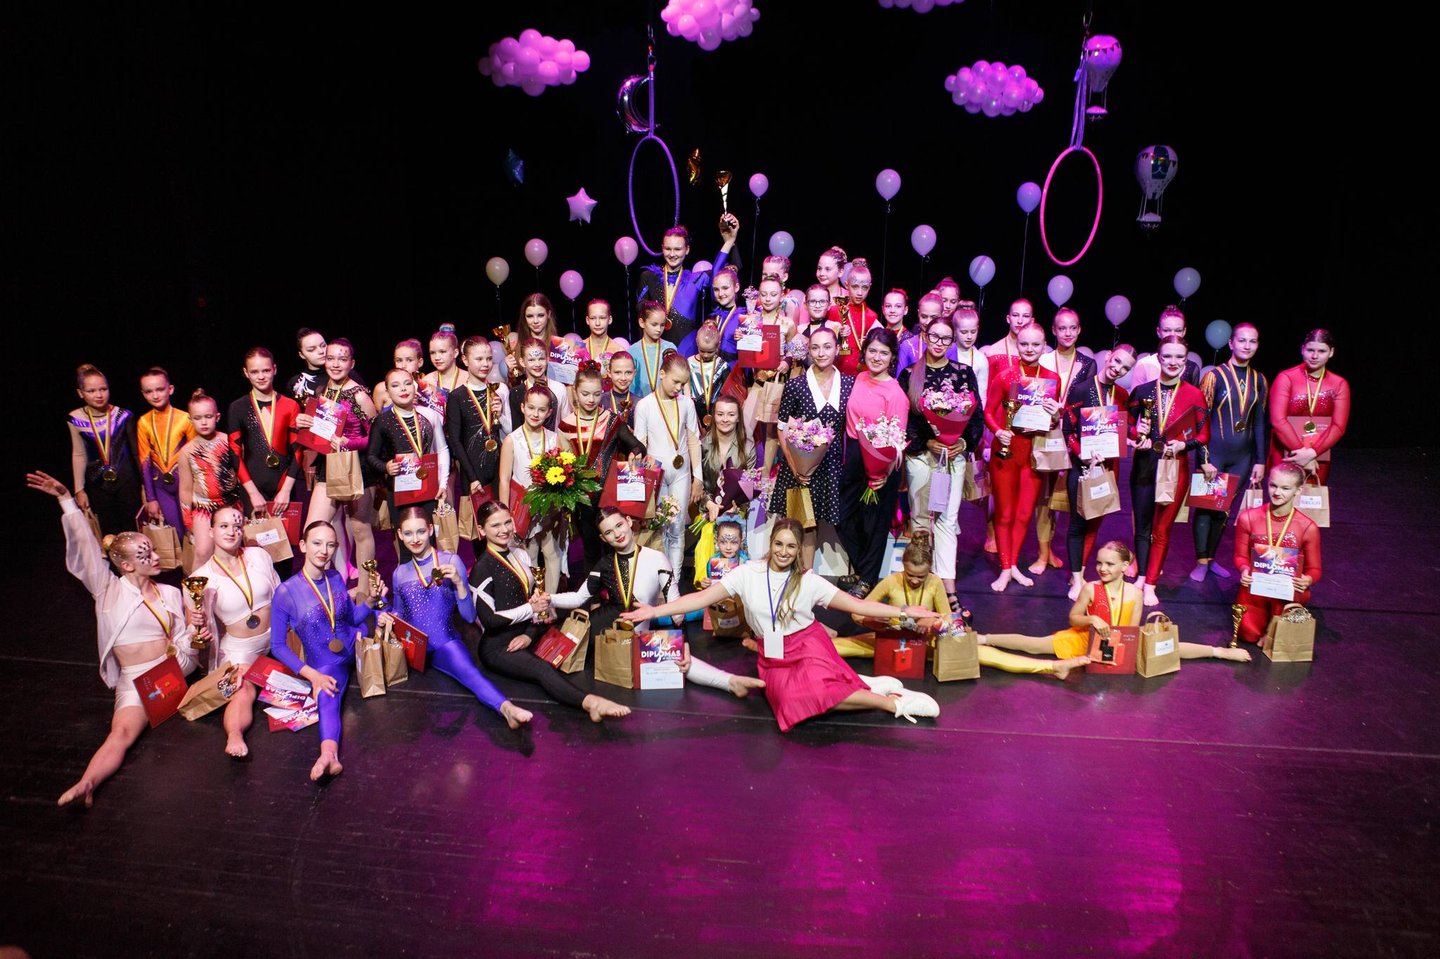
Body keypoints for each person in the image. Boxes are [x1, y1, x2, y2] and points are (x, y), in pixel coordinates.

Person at [628, 518, 942, 731]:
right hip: (773, 653)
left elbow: (858, 606)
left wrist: (905, 611)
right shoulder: (746, 574)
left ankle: (892, 704)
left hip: (808, 645)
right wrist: (654, 611)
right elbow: (700, 599)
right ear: (771, 542)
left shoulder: (809, 581)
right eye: (779, 544)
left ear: (798, 550)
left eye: (791, 547)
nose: (783, 551)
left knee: (814, 690)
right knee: (790, 702)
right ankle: (861, 683)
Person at [28, 470, 205, 806]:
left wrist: (198, 632)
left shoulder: (170, 592)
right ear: (125, 565)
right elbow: (87, 549)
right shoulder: (108, 592)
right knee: (121, 733)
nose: (155, 558)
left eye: (152, 551)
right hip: (138, 680)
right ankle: (88, 782)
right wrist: (67, 500)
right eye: (145, 555)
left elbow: (188, 640)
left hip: (175, 668)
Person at [549, 509, 765, 699]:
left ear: (629, 522)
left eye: (619, 525)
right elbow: (578, 598)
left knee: (678, 659)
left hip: (637, 635)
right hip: (602, 634)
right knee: (552, 659)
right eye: (609, 532)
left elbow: (676, 607)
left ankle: (730, 682)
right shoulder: (604, 564)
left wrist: (684, 643)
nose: (617, 533)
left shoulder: (656, 558)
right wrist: (549, 599)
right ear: (603, 538)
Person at [464, 501, 630, 722]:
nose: (504, 530)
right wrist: (530, 609)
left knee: (573, 622)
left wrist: (529, 634)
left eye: (507, 522)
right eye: (495, 526)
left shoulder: (519, 554)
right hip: (499, 646)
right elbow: (490, 620)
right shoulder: (481, 569)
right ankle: (592, 703)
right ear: (482, 530)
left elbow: (532, 601)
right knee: (541, 669)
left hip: (526, 631)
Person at [979, 541, 1251, 676]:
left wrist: (1121, 645)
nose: (1102, 568)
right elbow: (1074, 618)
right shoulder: (1090, 588)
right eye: (1099, 563)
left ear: (1124, 566)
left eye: (1109, 564)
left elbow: (1131, 627)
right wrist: (1091, 620)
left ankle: (1220, 652)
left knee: (1168, 645)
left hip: (1121, 641)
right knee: (1034, 645)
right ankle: (985, 638)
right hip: (1085, 638)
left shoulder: (1135, 593)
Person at [379, 508, 532, 728]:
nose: (415, 539)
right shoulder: (399, 573)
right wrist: (383, 613)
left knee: (470, 673)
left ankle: (507, 708)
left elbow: (469, 617)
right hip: (412, 650)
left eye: (420, 531)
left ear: (430, 530)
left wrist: (460, 583)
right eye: (409, 533)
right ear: (400, 535)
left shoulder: (450, 560)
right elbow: (400, 613)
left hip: (445, 643)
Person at [269, 520, 384, 781]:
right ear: (302, 546)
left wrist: (371, 601)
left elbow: (351, 618)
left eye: (331, 545)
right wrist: (313, 676)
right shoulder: (286, 592)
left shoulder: (335, 578)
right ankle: (328, 754)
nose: (324, 550)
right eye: (317, 543)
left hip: (355, 644)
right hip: (327, 664)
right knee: (328, 698)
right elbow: (277, 646)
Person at [900, 316, 983, 608]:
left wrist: (964, 443)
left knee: (948, 519)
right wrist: (927, 442)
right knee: (921, 517)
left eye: (946, 338)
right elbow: (905, 419)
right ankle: (919, 579)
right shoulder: (909, 374)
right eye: (934, 336)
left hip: (953, 456)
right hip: (921, 457)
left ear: (953, 341)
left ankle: (948, 586)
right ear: (925, 335)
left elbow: (976, 416)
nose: (939, 343)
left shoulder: (964, 373)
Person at [192, 506, 283, 758]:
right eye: (223, 526)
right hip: (242, 650)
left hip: (276, 639)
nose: (231, 532)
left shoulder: (258, 555)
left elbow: (280, 593)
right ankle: (234, 734)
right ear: (211, 531)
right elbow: (196, 632)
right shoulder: (201, 579)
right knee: (242, 690)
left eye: (237, 526)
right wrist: (197, 629)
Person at [1128, 336, 1210, 606]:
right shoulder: (1142, 391)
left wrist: (1184, 445)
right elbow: (1126, 425)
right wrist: (1135, 432)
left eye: (1179, 357)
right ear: (1159, 358)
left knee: (1162, 530)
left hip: (1175, 468)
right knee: (1142, 527)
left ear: (1186, 361)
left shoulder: (1194, 394)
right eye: (1168, 356)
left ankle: (1151, 583)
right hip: (1144, 465)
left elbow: (1204, 435)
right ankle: (1141, 576)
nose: (1173, 362)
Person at [985, 324, 1061, 592]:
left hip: (1034, 453)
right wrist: (998, 431)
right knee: (1005, 513)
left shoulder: (1051, 379)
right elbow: (989, 411)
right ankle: (1006, 568)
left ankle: (1014, 564)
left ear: (1044, 346)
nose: (1029, 349)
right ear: (1017, 344)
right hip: (1006, 452)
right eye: (1024, 344)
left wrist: (1055, 414)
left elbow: (1052, 422)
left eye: (1035, 344)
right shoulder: (1005, 376)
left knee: (1024, 514)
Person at [1192, 323, 1269, 582]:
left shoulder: (1260, 380)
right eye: (1242, 340)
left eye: (1253, 341)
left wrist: (1260, 460)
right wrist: (1203, 459)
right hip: (1214, 455)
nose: (1247, 346)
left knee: (1223, 511)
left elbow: (1259, 422)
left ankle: (1212, 559)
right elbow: (1201, 422)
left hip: (1242, 458)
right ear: (1231, 343)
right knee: (1206, 509)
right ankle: (1201, 562)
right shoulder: (1213, 377)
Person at [297, 339, 376, 580]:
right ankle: (320, 587)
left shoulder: (359, 395)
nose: (336, 364)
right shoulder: (322, 391)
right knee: (313, 530)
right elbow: (319, 432)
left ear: (352, 363)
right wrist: (303, 424)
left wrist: (349, 443)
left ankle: (365, 591)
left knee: (360, 530)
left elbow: (376, 439)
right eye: (331, 358)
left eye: (342, 359)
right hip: (328, 465)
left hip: (357, 467)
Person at [1062, 345, 1136, 600]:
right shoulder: (1082, 389)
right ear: (1108, 357)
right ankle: (1076, 580)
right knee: (1077, 524)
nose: (1118, 369)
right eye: (1117, 361)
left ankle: (1080, 571)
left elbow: (1124, 427)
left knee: (1095, 522)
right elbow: (1067, 429)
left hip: (1108, 467)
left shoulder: (1122, 394)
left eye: (1125, 367)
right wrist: (1082, 453)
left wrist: (1135, 435)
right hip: (1083, 466)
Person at [837, 328, 908, 595]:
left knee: (874, 523)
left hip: (882, 462)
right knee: (842, 516)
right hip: (855, 455)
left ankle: (867, 579)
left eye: (884, 353)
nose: (877, 357)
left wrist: (884, 471)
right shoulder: (859, 378)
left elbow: (897, 441)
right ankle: (862, 570)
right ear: (864, 351)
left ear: (892, 357)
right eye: (872, 351)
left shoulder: (895, 393)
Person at [1029, 308, 1097, 575]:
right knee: (1043, 497)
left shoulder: (1088, 363)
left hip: (1073, 436)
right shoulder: (1043, 359)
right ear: (1054, 330)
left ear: (1079, 330)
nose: (1067, 333)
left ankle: (1068, 556)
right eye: (1062, 328)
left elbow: (1089, 402)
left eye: (1072, 328)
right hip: (1046, 431)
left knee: (1067, 496)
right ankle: (1043, 553)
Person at [559, 362, 645, 566]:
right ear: (575, 391)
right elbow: (563, 464)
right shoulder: (565, 425)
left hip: (609, 495)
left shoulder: (612, 420)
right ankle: (594, 585)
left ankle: (619, 582)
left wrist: (635, 453)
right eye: (585, 394)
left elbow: (637, 445)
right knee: (590, 548)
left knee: (615, 546)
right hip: (582, 498)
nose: (591, 399)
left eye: (597, 394)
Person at [770, 327, 851, 534]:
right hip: (800, 470)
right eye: (815, 348)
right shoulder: (796, 385)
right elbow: (782, 428)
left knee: (836, 529)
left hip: (833, 468)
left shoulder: (849, 384)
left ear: (837, 349)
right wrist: (795, 467)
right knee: (801, 530)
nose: (821, 353)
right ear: (808, 351)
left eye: (827, 347)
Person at [633, 351, 705, 577]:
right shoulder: (644, 406)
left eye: (683, 384)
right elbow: (640, 445)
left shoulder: (687, 404)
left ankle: (674, 582)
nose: (679, 388)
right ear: (662, 374)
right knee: (658, 528)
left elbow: (693, 441)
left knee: (677, 528)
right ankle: (659, 578)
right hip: (657, 475)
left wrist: (698, 477)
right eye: (675, 382)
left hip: (681, 473)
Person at [1233, 463, 1322, 643]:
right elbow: (1240, 556)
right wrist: (1244, 569)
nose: (1277, 492)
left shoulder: (1308, 527)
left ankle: (1276, 624)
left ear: (1298, 490)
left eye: (1285, 488)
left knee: (1277, 639)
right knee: (1248, 635)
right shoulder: (1248, 517)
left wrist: (1307, 580)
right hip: (1256, 585)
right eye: (1273, 485)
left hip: (1287, 589)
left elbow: (1315, 569)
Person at [635, 215, 739, 352]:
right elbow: (641, 315)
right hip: (655, 348)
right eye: (668, 249)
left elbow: (720, 273)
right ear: (662, 248)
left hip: (687, 350)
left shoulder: (695, 280)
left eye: (678, 249)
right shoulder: (649, 277)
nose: (672, 254)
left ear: (687, 249)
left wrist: (729, 241)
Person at [497, 385, 565, 593]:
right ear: (522, 407)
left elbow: (563, 474)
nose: (535, 414)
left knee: (552, 553)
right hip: (523, 511)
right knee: (529, 554)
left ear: (549, 412)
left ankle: (551, 601)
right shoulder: (512, 440)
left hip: (549, 509)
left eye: (541, 410)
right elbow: (504, 479)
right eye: (531, 408)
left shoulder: (554, 439)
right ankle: (532, 601)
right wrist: (505, 515)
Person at [227, 347, 301, 521]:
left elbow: (298, 452)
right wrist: (252, 493)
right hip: (253, 487)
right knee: (258, 538)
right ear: (246, 373)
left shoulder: (290, 406)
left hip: (284, 486)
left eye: (266, 370)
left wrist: (286, 490)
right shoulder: (238, 407)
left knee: (287, 538)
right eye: (254, 372)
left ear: (274, 369)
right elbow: (235, 454)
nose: (261, 376)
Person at [1268, 328, 1349, 486]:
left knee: (1311, 499)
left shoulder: (1339, 384)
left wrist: (1313, 453)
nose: (1314, 356)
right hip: (1286, 453)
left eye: (1321, 351)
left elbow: (1339, 426)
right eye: (1310, 350)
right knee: (1282, 497)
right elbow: (1278, 421)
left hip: (1318, 454)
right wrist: (1303, 455)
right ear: (1302, 349)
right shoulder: (1286, 378)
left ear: (1331, 352)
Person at [365, 368, 450, 520]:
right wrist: (385, 467)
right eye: (395, 385)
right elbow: (371, 456)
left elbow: (442, 449)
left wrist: (443, 484)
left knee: (429, 532)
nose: (403, 389)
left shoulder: (430, 414)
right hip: (399, 489)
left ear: (414, 387)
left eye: (407, 383)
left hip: (429, 487)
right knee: (404, 533)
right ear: (388, 392)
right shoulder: (382, 421)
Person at [69, 364, 142, 536]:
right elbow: (78, 453)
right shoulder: (75, 418)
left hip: (127, 481)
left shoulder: (123, 415)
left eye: (103, 389)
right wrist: (79, 489)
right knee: (108, 533)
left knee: (133, 530)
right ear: (80, 393)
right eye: (91, 391)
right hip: (97, 484)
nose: (99, 395)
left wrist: (145, 486)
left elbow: (136, 452)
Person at [177, 389, 244, 569]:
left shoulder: (229, 442)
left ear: (217, 416)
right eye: (198, 418)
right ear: (190, 420)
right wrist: (188, 520)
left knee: (235, 549)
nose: (204, 422)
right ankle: (196, 587)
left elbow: (242, 474)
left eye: (208, 416)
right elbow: (185, 489)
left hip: (231, 504)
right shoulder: (186, 452)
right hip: (204, 508)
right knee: (202, 552)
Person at [447, 337, 511, 514]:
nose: (485, 364)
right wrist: (472, 477)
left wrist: (500, 414)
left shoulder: (499, 389)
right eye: (479, 359)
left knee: (501, 516)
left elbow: (510, 432)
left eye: (489, 359)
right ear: (465, 360)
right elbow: (455, 441)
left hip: (499, 466)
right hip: (473, 470)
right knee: (480, 522)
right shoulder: (457, 396)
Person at [136, 367, 196, 533]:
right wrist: (151, 498)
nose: (155, 395)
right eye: (149, 391)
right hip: (161, 487)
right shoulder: (143, 422)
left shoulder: (185, 419)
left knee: (194, 530)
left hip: (186, 483)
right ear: (143, 394)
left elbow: (196, 456)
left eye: (160, 389)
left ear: (170, 389)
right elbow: (145, 463)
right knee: (176, 532)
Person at [1126, 306, 1202, 391]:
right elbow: (1136, 397)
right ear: (1158, 332)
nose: (1172, 335)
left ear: (1184, 332)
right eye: (1166, 330)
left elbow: (1194, 398)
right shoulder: (1144, 364)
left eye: (1178, 330)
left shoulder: (1192, 368)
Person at [828, 258, 879, 378]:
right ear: (847, 285)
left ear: (870, 287)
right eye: (855, 287)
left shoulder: (872, 316)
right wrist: (839, 335)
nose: (860, 293)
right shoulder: (834, 311)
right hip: (836, 372)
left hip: (862, 374)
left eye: (864, 288)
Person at [508, 336, 566, 429]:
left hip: (554, 438)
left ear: (547, 358)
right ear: (522, 362)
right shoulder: (516, 393)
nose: (537, 364)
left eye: (541, 359)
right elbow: (515, 428)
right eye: (531, 360)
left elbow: (566, 425)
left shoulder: (559, 389)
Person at [628, 300, 681, 400]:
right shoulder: (632, 351)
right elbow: (630, 384)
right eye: (654, 324)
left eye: (662, 325)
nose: (658, 329)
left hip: (665, 402)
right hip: (640, 402)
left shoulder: (670, 348)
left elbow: (676, 376)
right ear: (642, 322)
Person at [372, 339, 436, 411]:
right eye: (399, 360)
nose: (403, 365)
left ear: (420, 362)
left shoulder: (429, 388)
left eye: (409, 360)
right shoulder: (382, 389)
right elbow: (376, 417)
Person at [688, 319, 730, 428]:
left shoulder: (722, 365)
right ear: (697, 342)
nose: (706, 355)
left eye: (710, 351)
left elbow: (727, 392)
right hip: (694, 410)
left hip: (716, 410)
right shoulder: (689, 363)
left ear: (718, 345)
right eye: (702, 351)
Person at [421, 328, 466, 415]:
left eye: (442, 352)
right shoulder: (426, 382)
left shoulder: (469, 379)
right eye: (432, 353)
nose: (437, 357)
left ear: (455, 353)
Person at [710, 265, 748, 362]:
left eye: (725, 288)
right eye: (716, 289)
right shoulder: (713, 316)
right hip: (711, 368)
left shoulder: (743, 318)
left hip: (732, 369)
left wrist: (745, 339)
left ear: (736, 287)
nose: (720, 294)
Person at [285, 327, 329, 404]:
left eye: (323, 345)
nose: (321, 351)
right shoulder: (296, 383)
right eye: (311, 349)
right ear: (302, 355)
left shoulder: (344, 374)